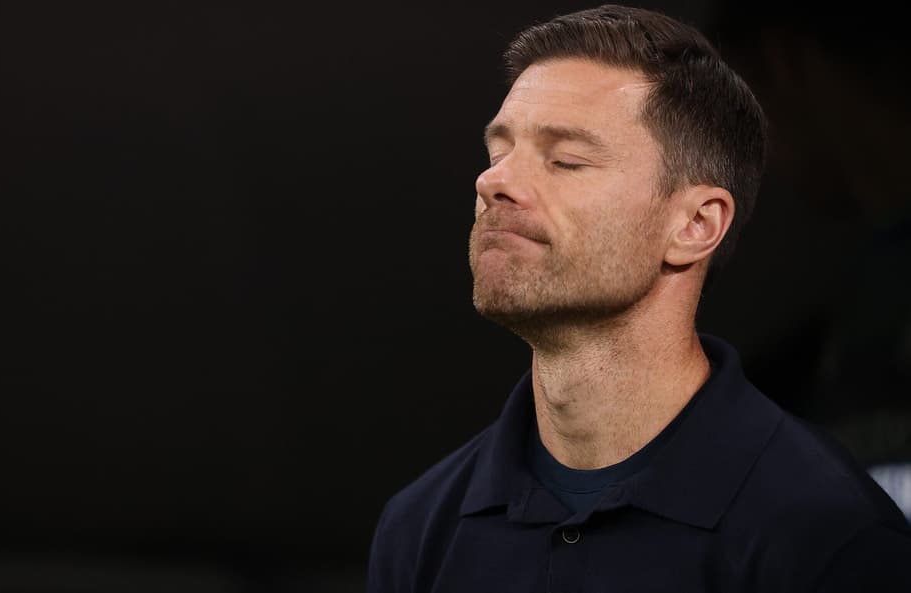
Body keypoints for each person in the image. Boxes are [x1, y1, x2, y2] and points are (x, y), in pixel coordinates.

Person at [367, 4, 911, 592]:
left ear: (697, 225)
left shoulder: (825, 536)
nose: (492, 181)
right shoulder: (422, 526)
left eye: (566, 159)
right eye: (499, 152)